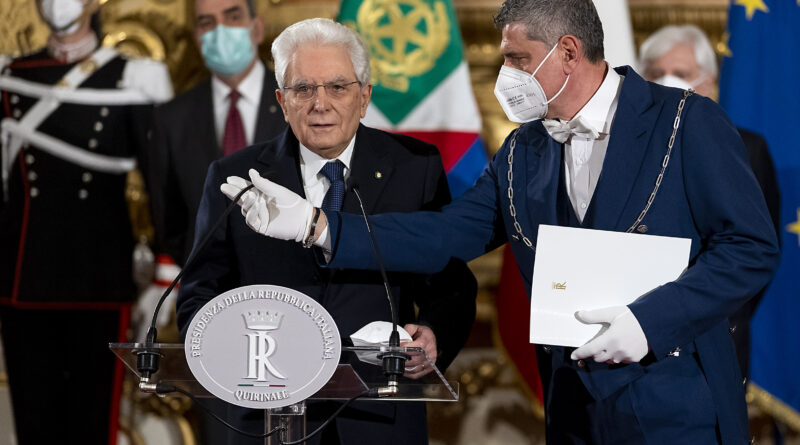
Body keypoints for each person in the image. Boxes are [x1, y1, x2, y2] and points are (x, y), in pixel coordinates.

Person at [223, 1, 780, 443]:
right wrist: (321, 227)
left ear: (567, 51)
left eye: (516, 58)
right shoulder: (523, 150)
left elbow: (750, 248)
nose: (505, 73)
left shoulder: (685, 120)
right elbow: (444, 234)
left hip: (674, 402)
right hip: (572, 408)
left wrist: (648, 322)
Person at [176, 18, 477, 445]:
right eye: (303, 89)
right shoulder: (236, 178)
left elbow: (450, 282)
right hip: (267, 414)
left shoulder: (415, 167)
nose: (321, 104)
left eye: (337, 87)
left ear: (364, 96)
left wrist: (432, 333)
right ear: (282, 100)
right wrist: (237, 360)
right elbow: (198, 300)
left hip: (379, 415)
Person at [0, 0, 172, 443]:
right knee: (34, 426)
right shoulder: (10, 75)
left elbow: (161, 184)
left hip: (99, 276)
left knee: (92, 426)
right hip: (23, 279)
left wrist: (164, 271)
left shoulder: (134, 77)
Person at [638, 24, 781, 380]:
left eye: (681, 73)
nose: (667, 80)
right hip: (635, 334)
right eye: (655, 73)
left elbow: (759, 251)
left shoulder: (746, 149)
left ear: (708, 83)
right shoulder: (624, 148)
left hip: (717, 333)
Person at [145, 0, 286, 268]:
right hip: (207, 285)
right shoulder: (171, 118)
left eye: (232, 17)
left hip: (289, 281)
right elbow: (169, 222)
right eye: (207, 23)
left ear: (257, 29)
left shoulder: (297, 103)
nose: (220, 31)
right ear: (197, 38)